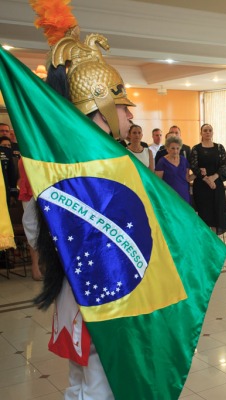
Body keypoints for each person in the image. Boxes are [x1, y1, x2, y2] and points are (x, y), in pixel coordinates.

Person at [32, 23, 136, 399]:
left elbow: (35, 228)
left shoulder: (63, 162)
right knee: (99, 384)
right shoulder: (96, 169)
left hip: (84, 289)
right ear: (102, 106)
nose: (129, 116)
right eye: (123, 106)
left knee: (83, 382)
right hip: (99, 292)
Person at [189, 124, 226, 235]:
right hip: (202, 186)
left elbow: (224, 165)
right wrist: (206, 179)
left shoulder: (219, 147)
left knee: (217, 213)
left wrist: (213, 177)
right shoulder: (196, 148)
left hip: (216, 185)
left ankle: (216, 243)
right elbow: (194, 166)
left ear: (213, 132)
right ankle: (205, 243)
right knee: (204, 214)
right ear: (201, 133)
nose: (208, 132)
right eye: (205, 130)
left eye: (210, 130)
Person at [17, 158, 43, 281]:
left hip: (44, 190)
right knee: (33, 228)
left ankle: (46, 264)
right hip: (30, 192)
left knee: (46, 230)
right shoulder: (24, 156)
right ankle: (35, 267)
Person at [155, 136, 194, 202]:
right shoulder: (162, 162)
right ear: (167, 148)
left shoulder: (184, 160)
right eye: (172, 148)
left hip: (184, 196)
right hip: (169, 197)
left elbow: (188, 178)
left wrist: (198, 173)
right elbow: (158, 182)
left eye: (177, 148)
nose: (175, 151)